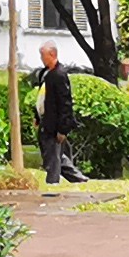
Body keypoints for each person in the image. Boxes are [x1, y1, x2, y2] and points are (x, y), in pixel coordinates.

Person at [34, 41, 76, 183]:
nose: (41, 58)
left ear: (52, 54)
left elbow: (65, 103)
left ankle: (52, 182)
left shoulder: (59, 75)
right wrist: (37, 116)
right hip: (45, 120)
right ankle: (79, 178)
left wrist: (63, 129)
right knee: (52, 153)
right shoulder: (45, 73)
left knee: (52, 156)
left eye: (43, 55)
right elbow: (42, 97)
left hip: (54, 122)